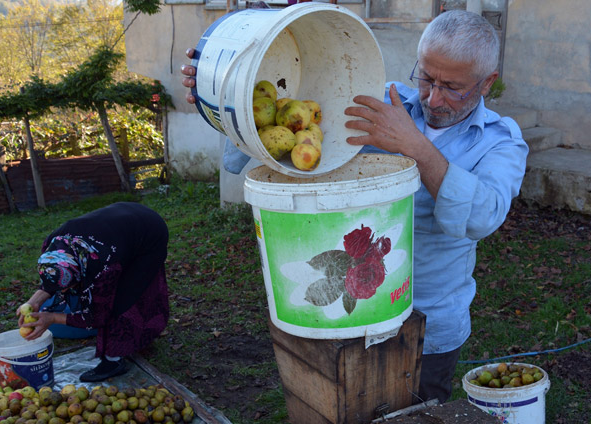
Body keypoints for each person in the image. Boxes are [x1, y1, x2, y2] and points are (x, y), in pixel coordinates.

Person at [181, 10, 528, 403]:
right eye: (427, 77)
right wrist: (227, 98)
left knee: (415, 418)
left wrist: (414, 145)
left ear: (487, 83)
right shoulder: (377, 103)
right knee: (336, 411)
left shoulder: (501, 142)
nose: (432, 97)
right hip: (345, 313)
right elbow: (270, 148)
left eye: (452, 87)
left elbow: (483, 216)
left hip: (427, 322)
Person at [17, 202, 170, 382]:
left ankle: (114, 361)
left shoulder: (103, 266)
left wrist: (53, 318)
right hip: (122, 225)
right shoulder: (54, 246)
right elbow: (54, 278)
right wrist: (33, 302)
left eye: (67, 287)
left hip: (149, 232)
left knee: (125, 298)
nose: (64, 291)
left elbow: (99, 316)